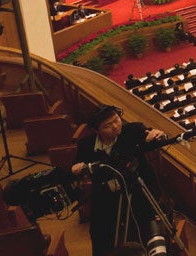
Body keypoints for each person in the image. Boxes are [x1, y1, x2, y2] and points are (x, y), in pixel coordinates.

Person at [71, 104, 169, 256]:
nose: (116, 126)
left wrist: (157, 135)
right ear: (97, 130)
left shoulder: (133, 130)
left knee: (146, 225)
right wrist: (77, 168)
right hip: (106, 195)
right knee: (100, 233)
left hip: (138, 189)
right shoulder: (86, 145)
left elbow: (153, 138)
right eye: (107, 126)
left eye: (117, 120)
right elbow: (76, 167)